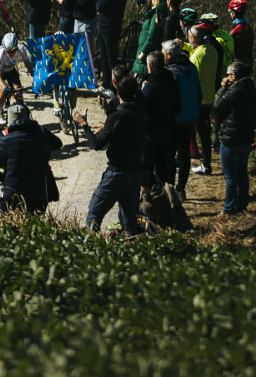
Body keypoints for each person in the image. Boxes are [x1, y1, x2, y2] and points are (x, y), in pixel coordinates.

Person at [74, 74, 147, 237]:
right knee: (129, 220)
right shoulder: (141, 115)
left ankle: (90, 246)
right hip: (135, 173)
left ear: (117, 92)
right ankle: (134, 252)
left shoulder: (115, 118)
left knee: (94, 212)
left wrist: (84, 124)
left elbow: (96, 144)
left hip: (116, 173)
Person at [0, 104, 63, 214]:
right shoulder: (42, 133)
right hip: (40, 194)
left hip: (13, 197)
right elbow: (58, 144)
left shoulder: (6, 139)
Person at [212, 61, 254, 214]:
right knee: (242, 172)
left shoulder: (234, 91)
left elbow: (217, 108)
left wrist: (222, 89)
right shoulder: (250, 88)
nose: (226, 77)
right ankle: (242, 204)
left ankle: (228, 208)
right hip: (246, 137)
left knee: (230, 177)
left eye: (228, 74)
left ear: (234, 76)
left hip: (231, 138)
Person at [164, 39, 200, 199]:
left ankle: (171, 188)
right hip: (190, 117)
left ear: (170, 55)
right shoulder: (192, 68)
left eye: (164, 53)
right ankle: (181, 188)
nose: (163, 56)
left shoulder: (170, 72)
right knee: (184, 154)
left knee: (170, 155)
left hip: (174, 119)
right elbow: (199, 93)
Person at [139, 52, 179, 190]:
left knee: (147, 169)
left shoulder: (149, 87)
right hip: (169, 129)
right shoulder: (173, 82)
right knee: (165, 167)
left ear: (150, 66)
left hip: (151, 134)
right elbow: (178, 106)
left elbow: (142, 109)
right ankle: (168, 195)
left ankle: (151, 200)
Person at [189, 24, 219, 177]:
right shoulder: (212, 51)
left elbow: (193, 78)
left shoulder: (196, 56)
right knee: (206, 133)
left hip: (198, 99)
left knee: (200, 132)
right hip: (210, 96)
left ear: (194, 38)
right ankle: (206, 161)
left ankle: (205, 164)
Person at [93, 0, 127, 87]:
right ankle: (106, 83)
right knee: (103, 57)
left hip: (111, 28)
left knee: (111, 58)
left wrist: (100, 5)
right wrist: (100, 5)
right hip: (102, 26)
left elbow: (101, 6)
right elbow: (99, 5)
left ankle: (114, 85)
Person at [132, 0, 168, 75]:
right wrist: (146, 7)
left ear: (155, 0)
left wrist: (143, 52)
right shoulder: (156, 13)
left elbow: (152, 35)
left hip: (147, 50)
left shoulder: (156, 15)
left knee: (142, 73)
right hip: (146, 48)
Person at [229, 0, 252, 66]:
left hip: (238, 64)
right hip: (249, 61)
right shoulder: (248, 28)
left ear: (233, 13)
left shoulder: (235, 31)